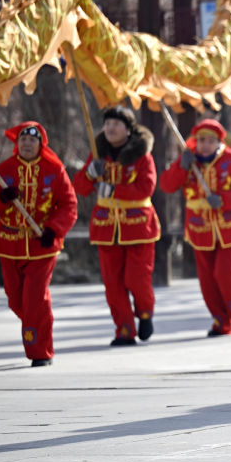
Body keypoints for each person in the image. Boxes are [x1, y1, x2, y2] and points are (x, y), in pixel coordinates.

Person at [0, 121, 77, 366]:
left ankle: (40, 352)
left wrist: (53, 229)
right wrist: (2, 198)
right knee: (15, 298)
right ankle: (39, 325)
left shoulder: (54, 170)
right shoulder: (3, 169)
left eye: (32, 140)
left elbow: (69, 206)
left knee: (35, 298)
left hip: (41, 243)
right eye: (22, 139)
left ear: (41, 144)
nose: (26, 143)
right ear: (16, 143)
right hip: (9, 242)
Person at [73, 106, 160, 346]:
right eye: (107, 123)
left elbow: (146, 188)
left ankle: (144, 313)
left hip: (138, 225)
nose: (110, 128)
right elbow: (79, 187)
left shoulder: (143, 155)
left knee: (137, 278)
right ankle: (123, 330)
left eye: (116, 124)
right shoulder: (97, 152)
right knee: (113, 283)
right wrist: (90, 174)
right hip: (106, 226)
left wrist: (114, 190)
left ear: (128, 130)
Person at [159, 119, 231, 336]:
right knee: (208, 279)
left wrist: (224, 199)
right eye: (201, 140)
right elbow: (167, 185)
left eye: (210, 141)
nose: (204, 145)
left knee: (225, 272)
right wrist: (180, 167)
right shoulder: (188, 160)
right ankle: (221, 321)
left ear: (219, 142)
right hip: (200, 227)